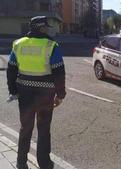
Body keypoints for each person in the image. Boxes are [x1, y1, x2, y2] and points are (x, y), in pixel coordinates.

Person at [6, 16, 66, 169]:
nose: (47, 29)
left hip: (24, 94)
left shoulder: (18, 44)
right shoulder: (51, 46)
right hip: (45, 96)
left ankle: (21, 163)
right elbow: (59, 72)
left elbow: (11, 70)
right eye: (46, 27)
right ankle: (44, 164)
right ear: (40, 28)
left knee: (25, 128)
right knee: (44, 129)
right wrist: (60, 95)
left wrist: (13, 91)